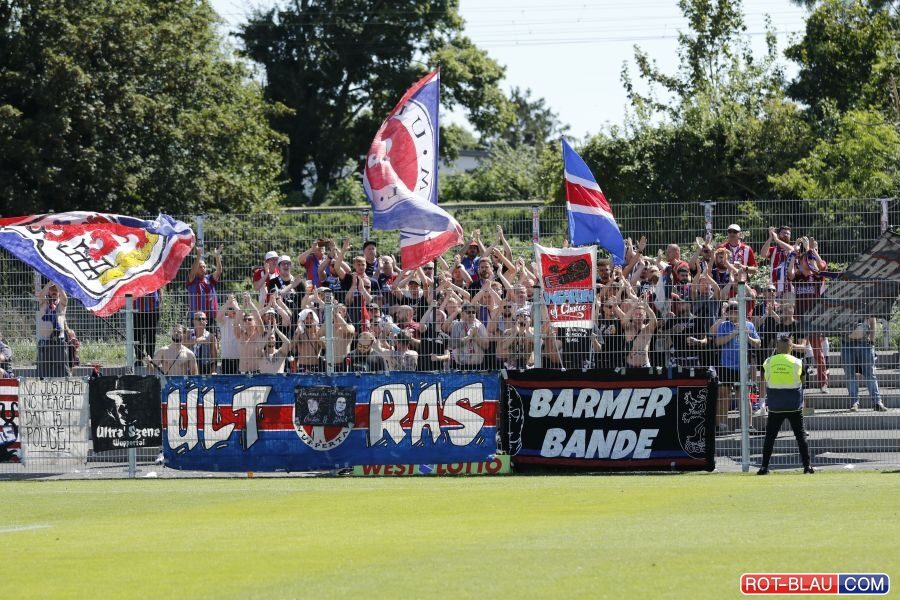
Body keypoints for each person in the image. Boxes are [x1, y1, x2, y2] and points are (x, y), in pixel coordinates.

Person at [758, 333, 815, 475]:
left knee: (770, 437)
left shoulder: (768, 362)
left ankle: (764, 467)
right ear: (791, 347)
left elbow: (765, 378)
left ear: (777, 347)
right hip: (794, 405)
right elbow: (803, 381)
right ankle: (807, 466)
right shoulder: (798, 362)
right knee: (800, 436)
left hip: (775, 406)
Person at [714, 300, 761, 433]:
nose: (733, 314)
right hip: (726, 365)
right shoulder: (723, 325)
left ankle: (747, 425)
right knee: (724, 394)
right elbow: (718, 342)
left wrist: (748, 337)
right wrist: (733, 333)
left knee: (744, 396)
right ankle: (722, 425)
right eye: (731, 312)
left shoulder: (749, 325)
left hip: (743, 366)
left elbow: (758, 343)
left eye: (736, 312)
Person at [841, 316, 887, 412]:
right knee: (849, 375)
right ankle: (854, 402)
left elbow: (873, 322)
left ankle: (877, 402)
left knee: (870, 374)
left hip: (865, 343)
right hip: (847, 343)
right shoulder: (841, 307)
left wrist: (872, 341)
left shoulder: (867, 306)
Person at [35, 282, 70, 377]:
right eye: (52, 289)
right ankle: (42, 385)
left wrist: (57, 282)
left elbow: (65, 297)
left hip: (59, 341)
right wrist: (51, 280)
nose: (54, 291)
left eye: (56, 289)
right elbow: (41, 295)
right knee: (43, 369)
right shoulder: (43, 303)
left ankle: (64, 384)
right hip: (45, 340)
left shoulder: (61, 304)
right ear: (48, 291)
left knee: (62, 368)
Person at [186, 244, 221, 324]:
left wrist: (217, 256)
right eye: (200, 267)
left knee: (212, 333)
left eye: (204, 267)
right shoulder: (192, 279)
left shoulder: (210, 278)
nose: (203, 268)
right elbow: (192, 272)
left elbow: (218, 272)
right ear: (196, 268)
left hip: (211, 316)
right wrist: (198, 256)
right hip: (196, 317)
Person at [133, 288, 162, 369]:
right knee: (137, 335)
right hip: (137, 308)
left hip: (153, 308)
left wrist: (160, 299)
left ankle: (150, 358)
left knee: (151, 335)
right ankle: (139, 358)